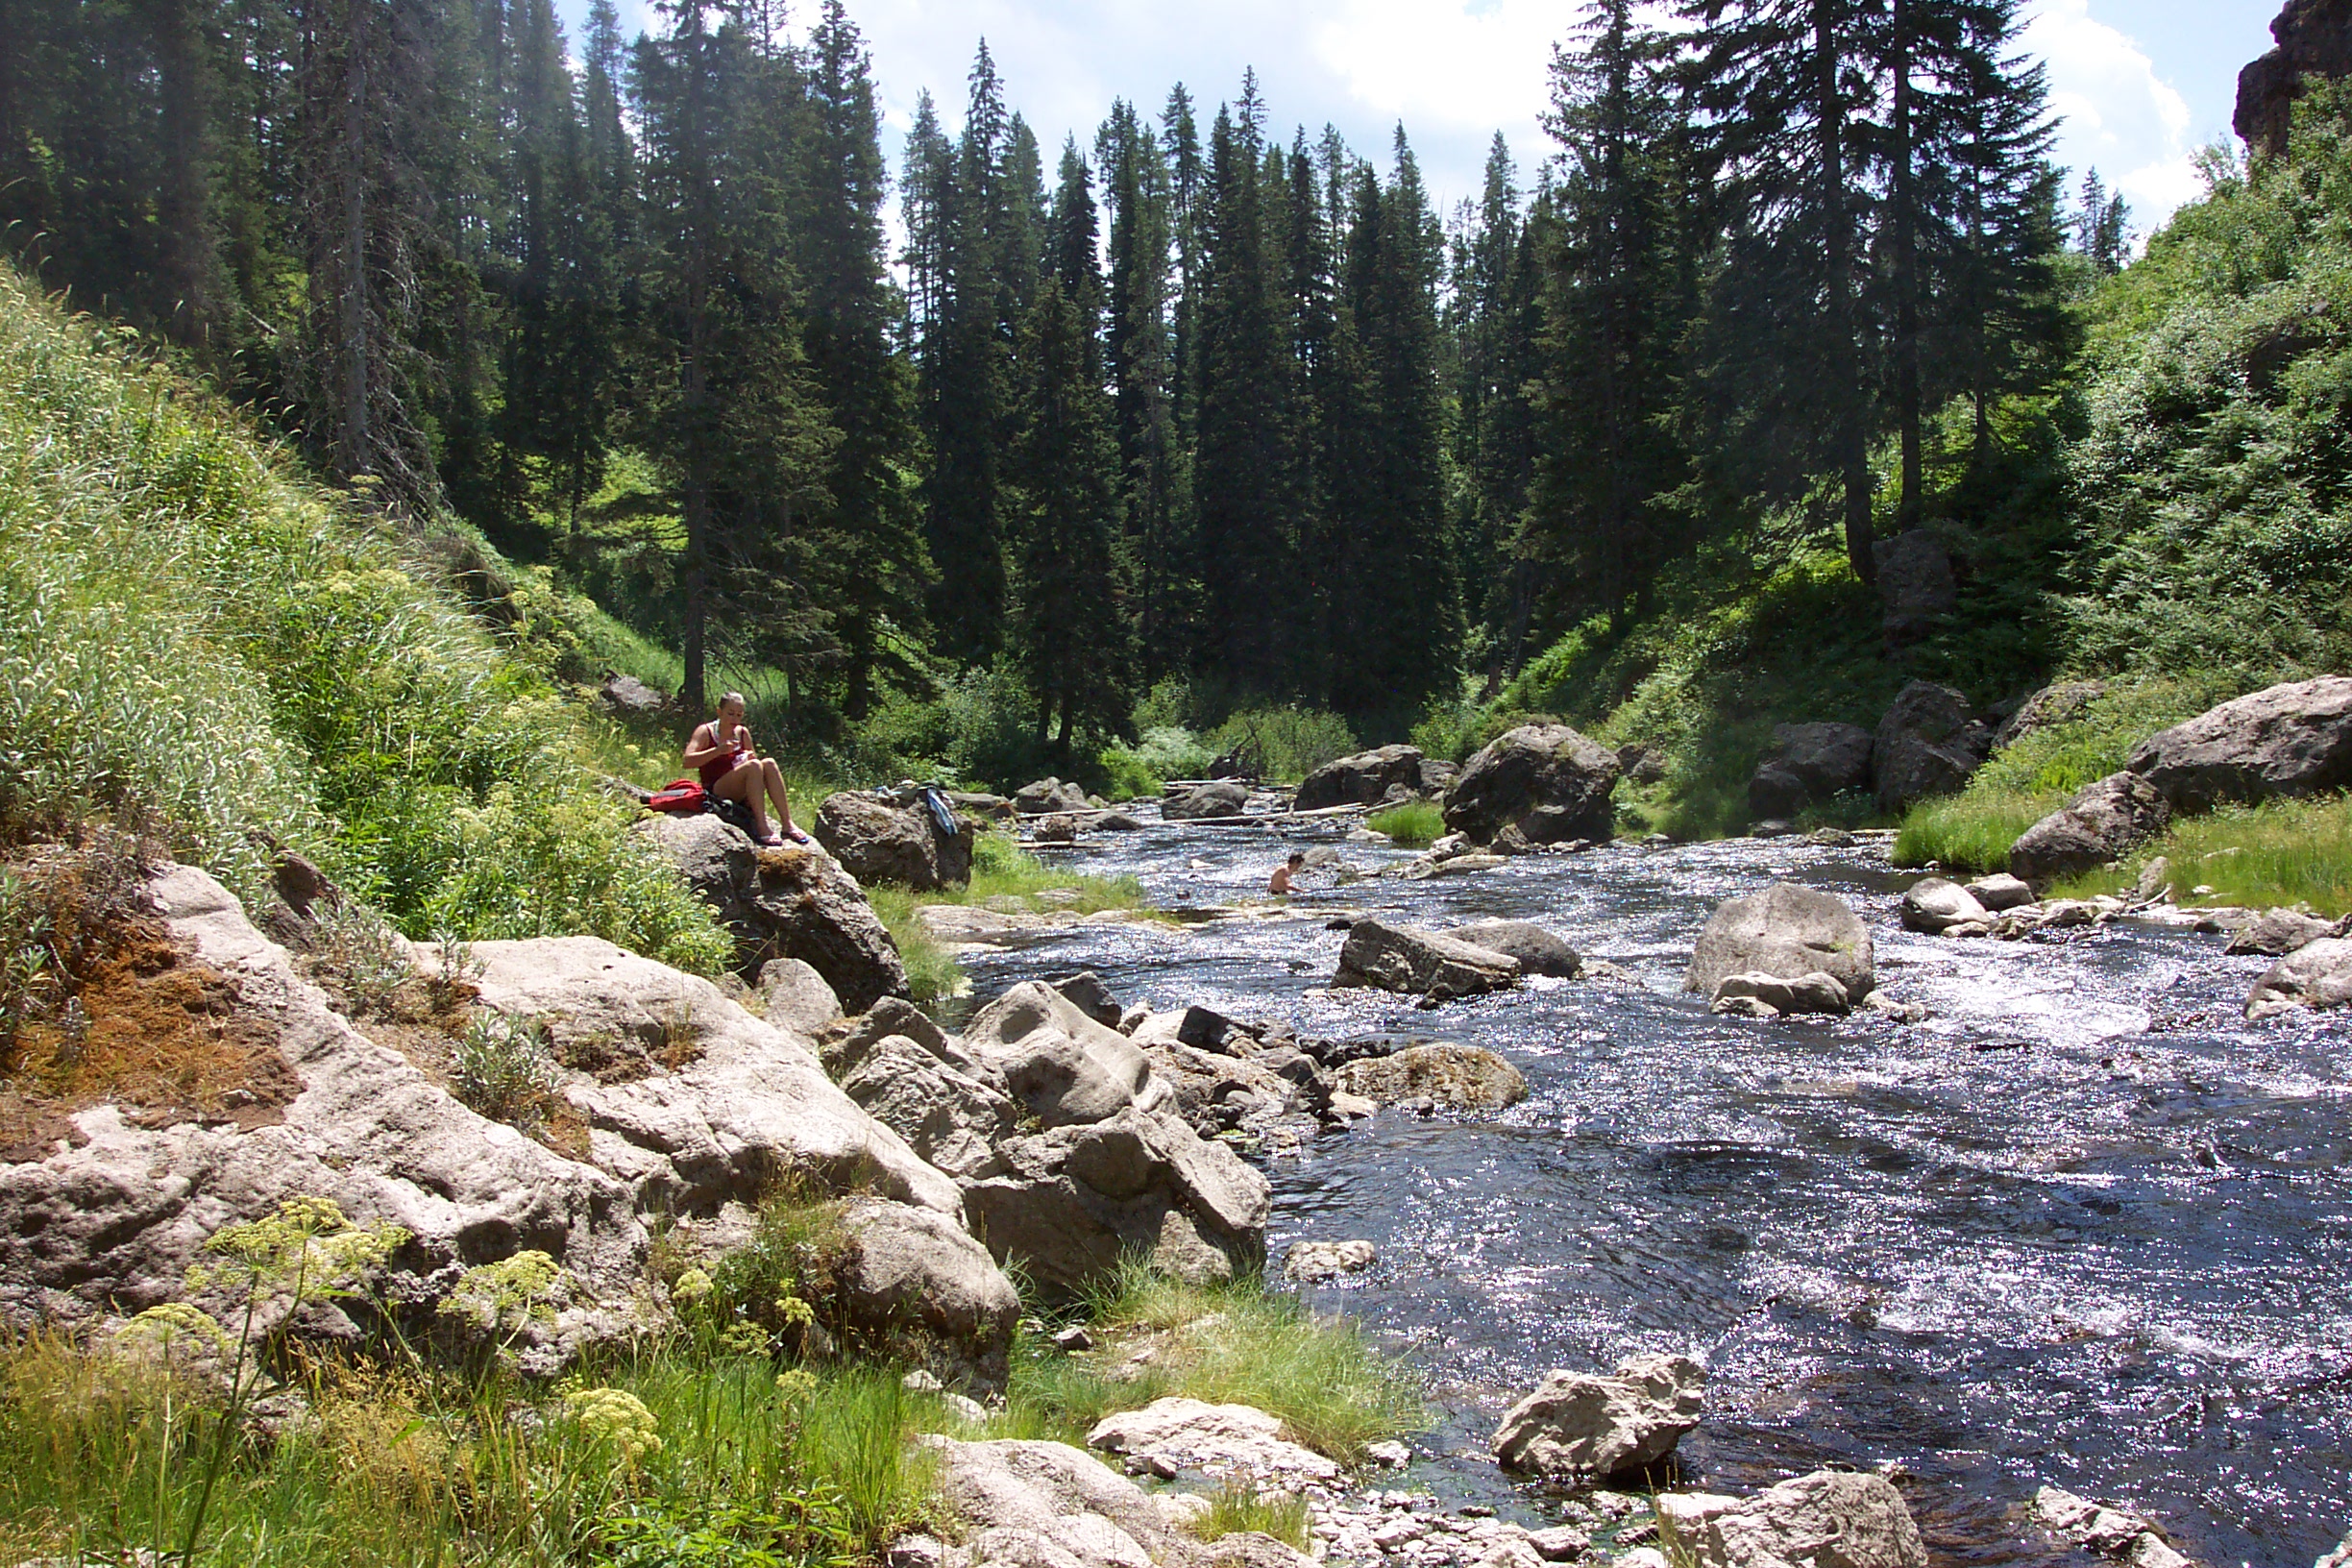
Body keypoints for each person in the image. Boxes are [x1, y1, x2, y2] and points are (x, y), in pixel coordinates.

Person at [684, 693, 809, 847]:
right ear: (719, 712)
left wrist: (748, 758)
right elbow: (687, 761)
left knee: (768, 763)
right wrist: (718, 751)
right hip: (716, 789)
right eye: (730, 714)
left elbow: (756, 769)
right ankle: (762, 825)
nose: (734, 720)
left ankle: (787, 823)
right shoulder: (705, 731)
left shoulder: (742, 733)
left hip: (741, 789)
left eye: (739, 715)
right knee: (754, 766)